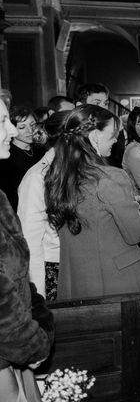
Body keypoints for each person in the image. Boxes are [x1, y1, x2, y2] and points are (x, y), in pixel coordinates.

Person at [44, 105, 140, 346]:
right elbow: (137, 232)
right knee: (130, 354)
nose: (116, 141)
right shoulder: (109, 177)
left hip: (76, 279)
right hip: (117, 280)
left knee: (94, 356)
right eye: (113, 135)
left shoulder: (57, 178)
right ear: (94, 136)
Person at [0, 97, 54, 402]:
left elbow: (17, 272)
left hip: (15, 352)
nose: (11, 131)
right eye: (4, 122)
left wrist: (38, 319)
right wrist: (32, 344)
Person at [17, 111, 70, 301]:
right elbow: (31, 240)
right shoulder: (37, 177)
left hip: (78, 262)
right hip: (55, 266)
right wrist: (39, 296)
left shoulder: (75, 170)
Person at [0, 107, 42, 210]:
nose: (30, 130)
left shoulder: (41, 150)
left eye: (32, 125)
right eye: (22, 127)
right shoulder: (6, 158)